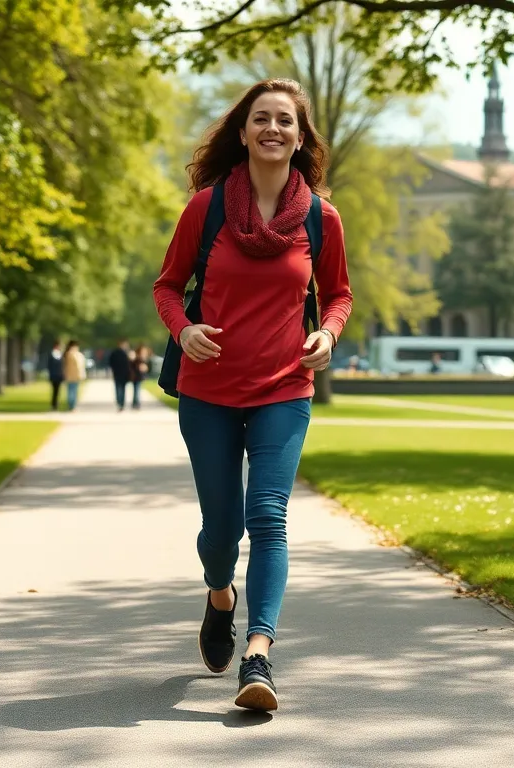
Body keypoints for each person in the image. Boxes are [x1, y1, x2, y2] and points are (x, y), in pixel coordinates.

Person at [152, 78, 352, 712]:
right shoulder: (206, 208)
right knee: (222, 528)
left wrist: (326, 331)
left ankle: (259, 653)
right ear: (242, 132)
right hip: (208, 390)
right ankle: (219, 595)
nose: (272, 129)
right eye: (260, 119)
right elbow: (166, 286)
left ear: (299, 138)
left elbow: (340, 293)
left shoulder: (322, 218)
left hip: (283, 390)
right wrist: (185, 331)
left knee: (268, 518)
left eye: (285, 121)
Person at [106, 339, 132, 411]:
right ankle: (120, 403)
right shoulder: (119, 353)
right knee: (120, 389)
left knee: (120, 389)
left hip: (121, 373)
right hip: (119, 373)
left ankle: (120, 403)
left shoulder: (126, 353)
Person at [63, 340, 86, 411]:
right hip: (72, 375)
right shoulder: (72, 354)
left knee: (73, 391)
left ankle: (72, 405)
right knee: (72, 391)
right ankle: (72, 406)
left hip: (74, 376)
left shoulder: (70, 354)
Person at [129, 344, 151, 410]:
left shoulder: (141, 358)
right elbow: (135, 366)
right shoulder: (137, 358)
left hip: (138, 377)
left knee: (136, 390)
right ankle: (136, 403)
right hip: (136, 377)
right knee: (137, 390)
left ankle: (135, 403)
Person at [46, 340, 65, 411]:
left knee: (58, 390)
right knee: (54, 390)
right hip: (53, 375)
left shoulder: (60, 354)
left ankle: (56, 404)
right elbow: (49, 365)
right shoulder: (51, 354)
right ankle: (54, 404)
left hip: (59, 375)